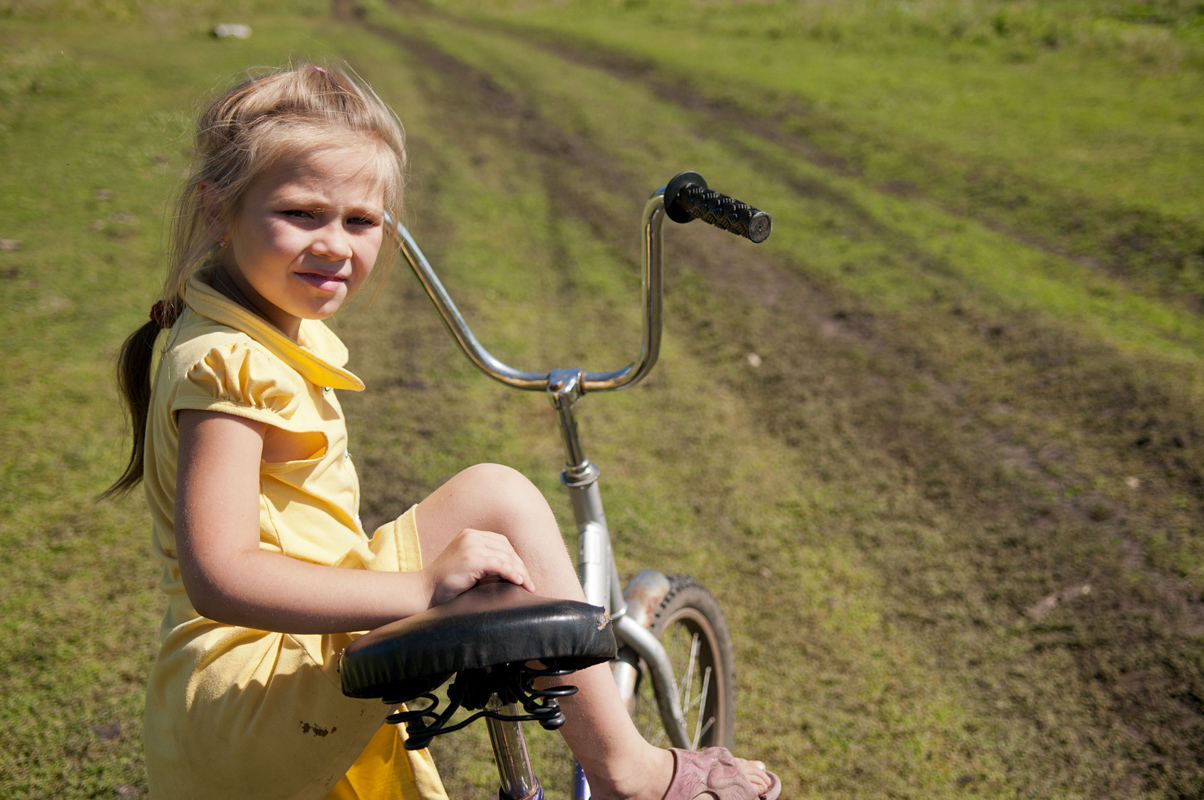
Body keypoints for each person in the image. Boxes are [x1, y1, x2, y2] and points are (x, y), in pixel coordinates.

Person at [106, 62, 781, 800]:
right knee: (497, 496)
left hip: (225, 718)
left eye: (361, 221)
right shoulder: (229, 365)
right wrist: (418, 587)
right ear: (217, 211)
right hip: (254, 696)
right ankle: (630, 770)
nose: (336, 245)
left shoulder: (240, 334)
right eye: (302, 213)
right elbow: (222, 575)